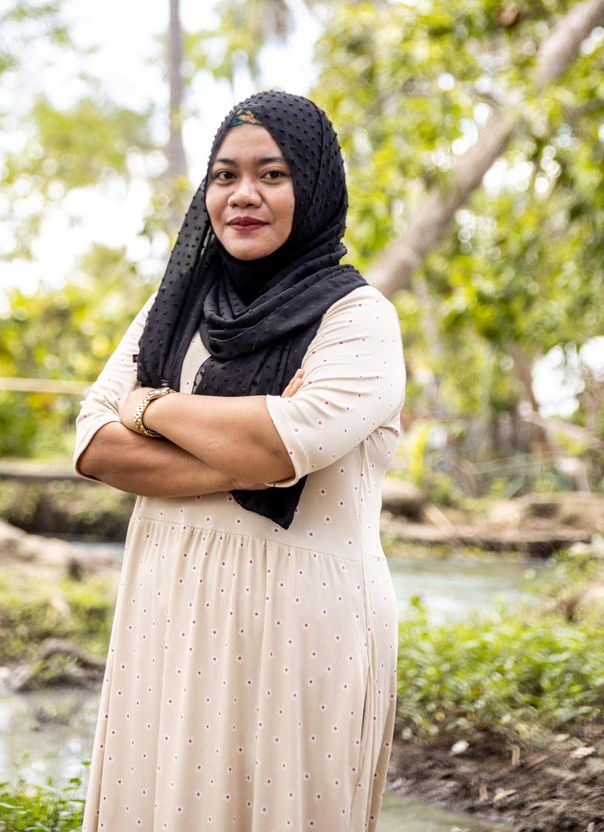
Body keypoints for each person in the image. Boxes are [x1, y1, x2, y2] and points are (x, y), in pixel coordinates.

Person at [74, 90, 405, 831]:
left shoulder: (357, 319)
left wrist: (151, 409)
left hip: (299, 629)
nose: (242, 196)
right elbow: (94, 445)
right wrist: (251, 451)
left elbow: (278, 442)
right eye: (224, 176)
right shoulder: (171, 310)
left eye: (272, 175)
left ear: (313, 187)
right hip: (169, 608)